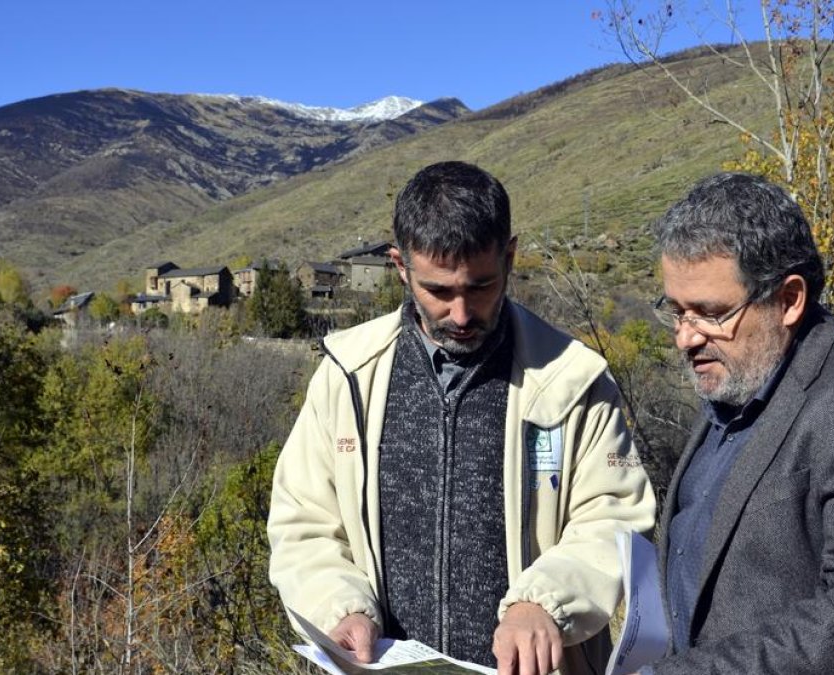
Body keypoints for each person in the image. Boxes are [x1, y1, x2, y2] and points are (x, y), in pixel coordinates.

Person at [268, 161, 655, 675]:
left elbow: (614, 517)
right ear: (399, 266)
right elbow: (305, 523)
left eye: (480, 286)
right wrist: (340, 610)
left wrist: (544, 603)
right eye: (438, 291)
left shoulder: (573, 380)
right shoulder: (347, 376)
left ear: (510, 257)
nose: (461, 314)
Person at [636, 172, 834, 674]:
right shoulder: (738, 382)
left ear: (789, 300)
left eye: (708, 313)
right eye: (677, 311)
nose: (685, 337)